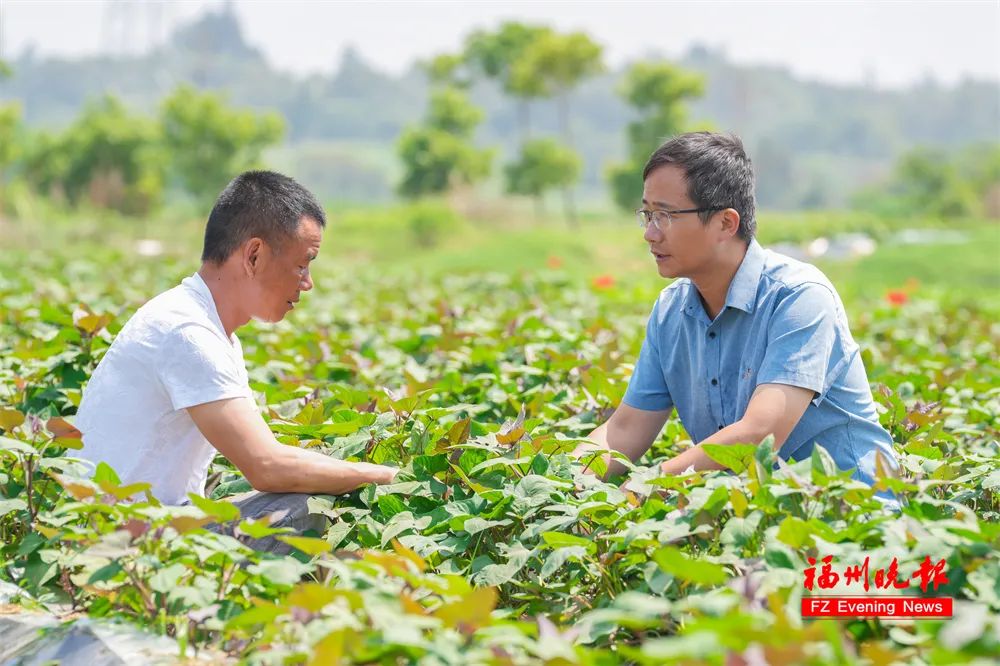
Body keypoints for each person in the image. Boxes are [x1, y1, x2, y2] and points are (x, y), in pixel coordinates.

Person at [76, 171, 397, 552]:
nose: (307, 282)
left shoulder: (202, 322)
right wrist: (386, 476)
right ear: (254, 255)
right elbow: (267, 466)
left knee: (311, 483)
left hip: (143, 525)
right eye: (303, 264)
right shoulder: (188, 333)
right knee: (306, 506)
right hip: (120, 547)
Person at [578, 132, 898, 496]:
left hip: (856, 516)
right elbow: (625, 430)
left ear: (726, 224)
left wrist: (644, 485)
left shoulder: (799, 297)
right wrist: (563, 483)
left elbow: (760, 435)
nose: (650, 234)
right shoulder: (671, 311)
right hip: (756, 514)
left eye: (665, 215)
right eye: (647, 214)